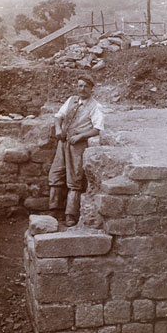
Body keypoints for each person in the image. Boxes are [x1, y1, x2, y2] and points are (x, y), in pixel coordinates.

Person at [48, 73, 104, 227]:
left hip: (77, 146)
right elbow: (58, 116)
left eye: (86, 86)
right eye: (80, 85)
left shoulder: (95, 106)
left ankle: (70, 214)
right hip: (63, 142)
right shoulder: (71, 100)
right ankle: (54, 210)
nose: (82, 89)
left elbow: (98, 129)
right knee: (56, 174)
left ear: (91, 88)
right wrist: (59, 129)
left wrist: (81, 136)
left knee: (74, 179)